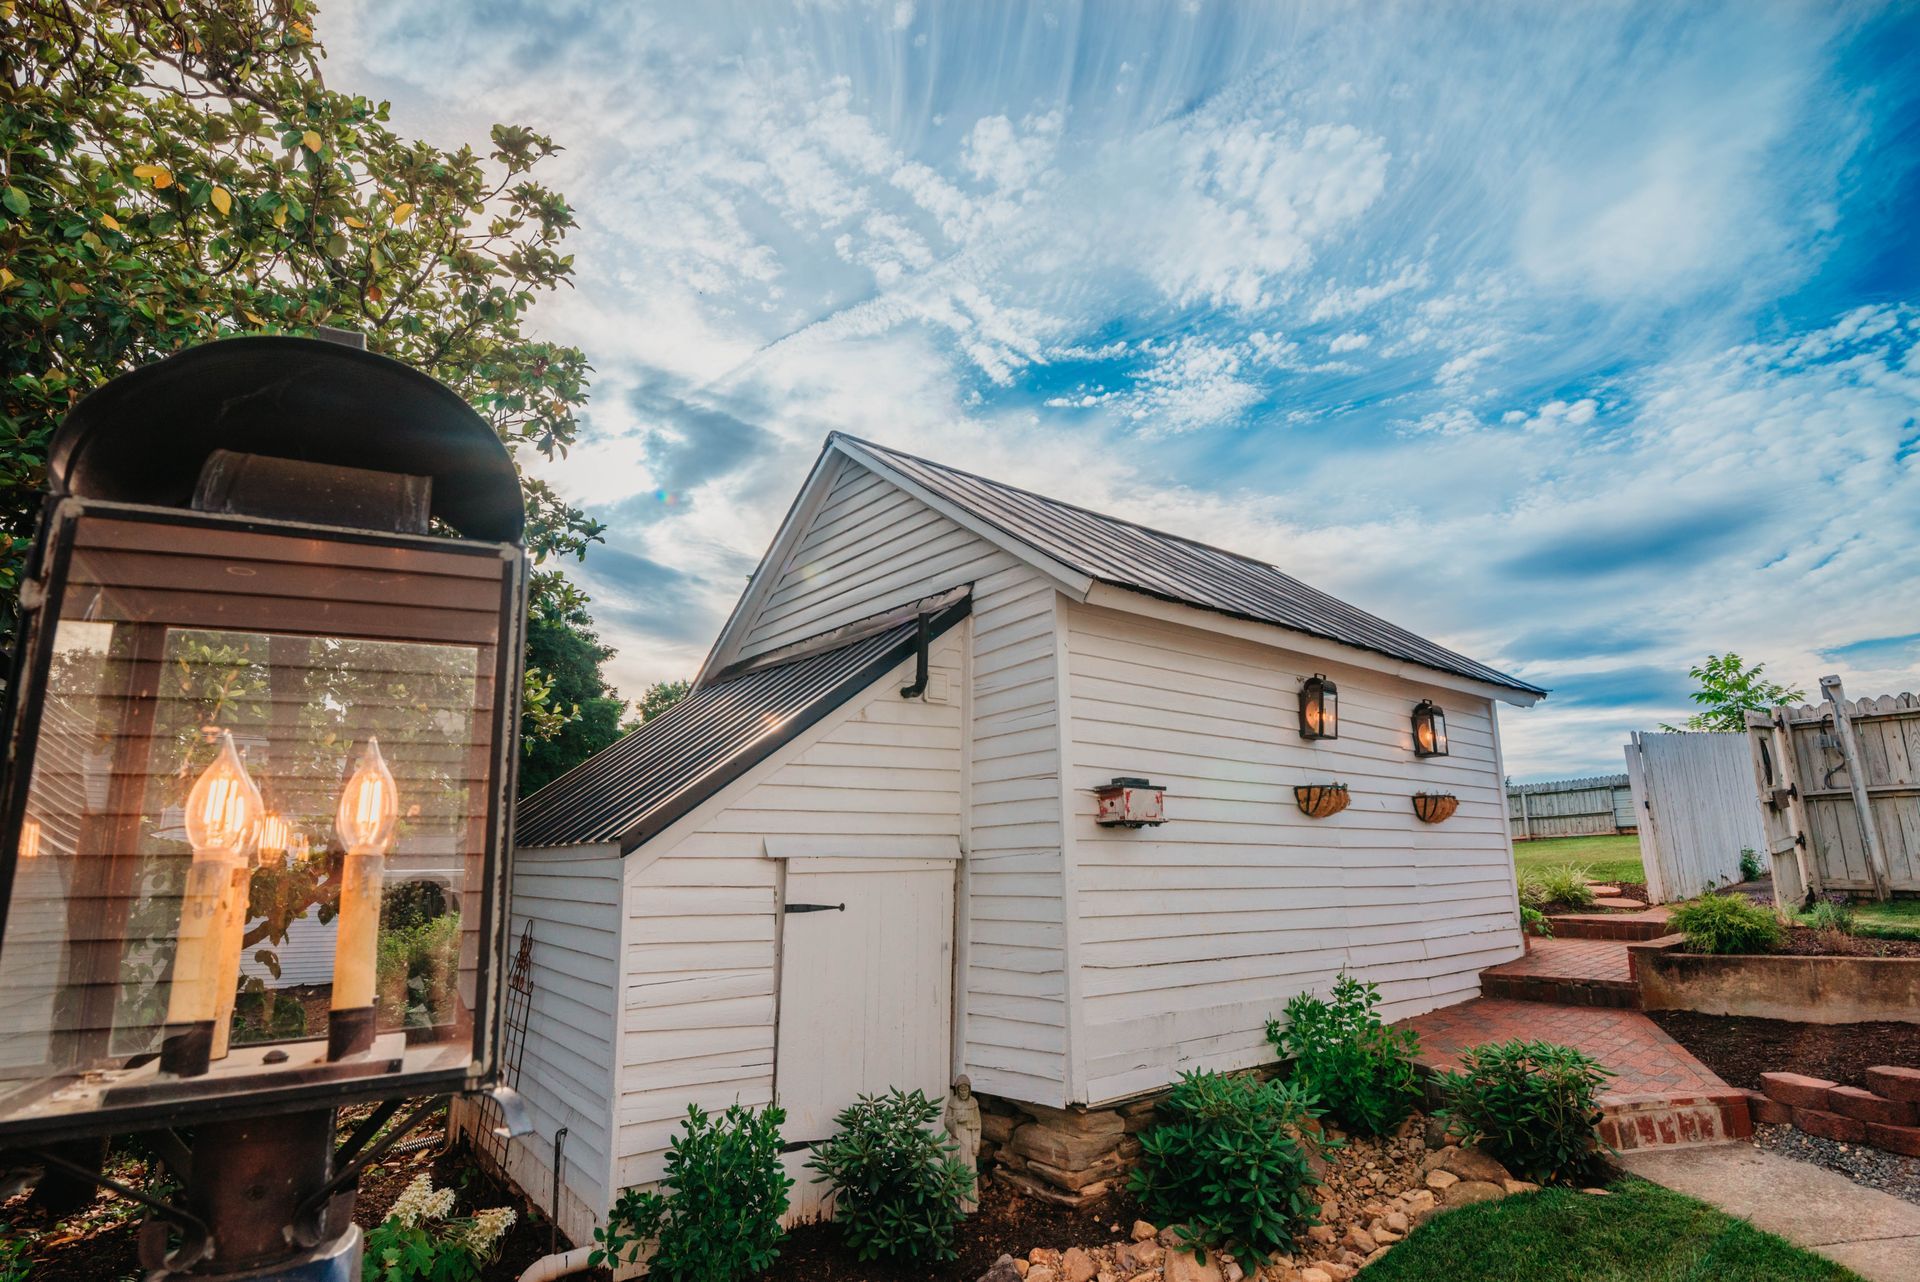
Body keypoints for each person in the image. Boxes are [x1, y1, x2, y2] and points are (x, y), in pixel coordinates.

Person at [943, 1074, 982, 1213]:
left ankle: (970, 1204)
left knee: (969, 1169)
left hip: (969, 1139)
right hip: (957, 1138)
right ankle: (957, 1203)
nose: (964, 1092)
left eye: (966, 1089)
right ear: (957, 1090)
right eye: (961, 1089)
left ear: (969, 1090)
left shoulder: (974, 1103)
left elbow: (978, 1124)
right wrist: (955, 1122)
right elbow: (946, 1121)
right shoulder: (952, 1102)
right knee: (957, 1167)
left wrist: (976, 1144)